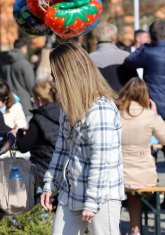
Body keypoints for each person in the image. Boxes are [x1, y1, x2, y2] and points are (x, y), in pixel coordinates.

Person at [41, 43, 123, 235]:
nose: (52, 80)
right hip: (72, 190)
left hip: (102, 194)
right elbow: (61, 149)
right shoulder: (68, 106)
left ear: (67, 75)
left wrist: (92, 200)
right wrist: (49, 185)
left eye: (54, 75)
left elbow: (100, 161)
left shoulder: (101, 109)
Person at [123, 20, 165, 209]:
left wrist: (145, 46)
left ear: (150, 36)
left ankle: (151, 192)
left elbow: (129, 61)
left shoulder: (147, 52)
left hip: (151, 108)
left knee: (149, 150)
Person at [117, 78, 165, 235]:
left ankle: (122, 228)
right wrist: (156, 115)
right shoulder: (148, 115)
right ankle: (134, 230)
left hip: (117, 174)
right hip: (143, 175)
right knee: (135, 190)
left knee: (128, 189)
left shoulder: (116, 113)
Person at [16, 80, 60, 187]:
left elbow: (23, 147)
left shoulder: (39, 118)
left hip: (42, 171)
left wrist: (20, 133)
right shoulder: (64, 113)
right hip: (62, 170)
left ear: (39, 100)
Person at [90, 23, 134, 92]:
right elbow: (134, 84)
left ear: (97, 38)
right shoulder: (125, 56)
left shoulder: (89, 59)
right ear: (114, 38)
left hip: (98, 101)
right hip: (122, 100)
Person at [0, 39, 36, 117]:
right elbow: (31, 85)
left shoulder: (4, 64)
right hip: (24, 103)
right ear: (23, 48)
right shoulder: (25, 64)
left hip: (8, 101)